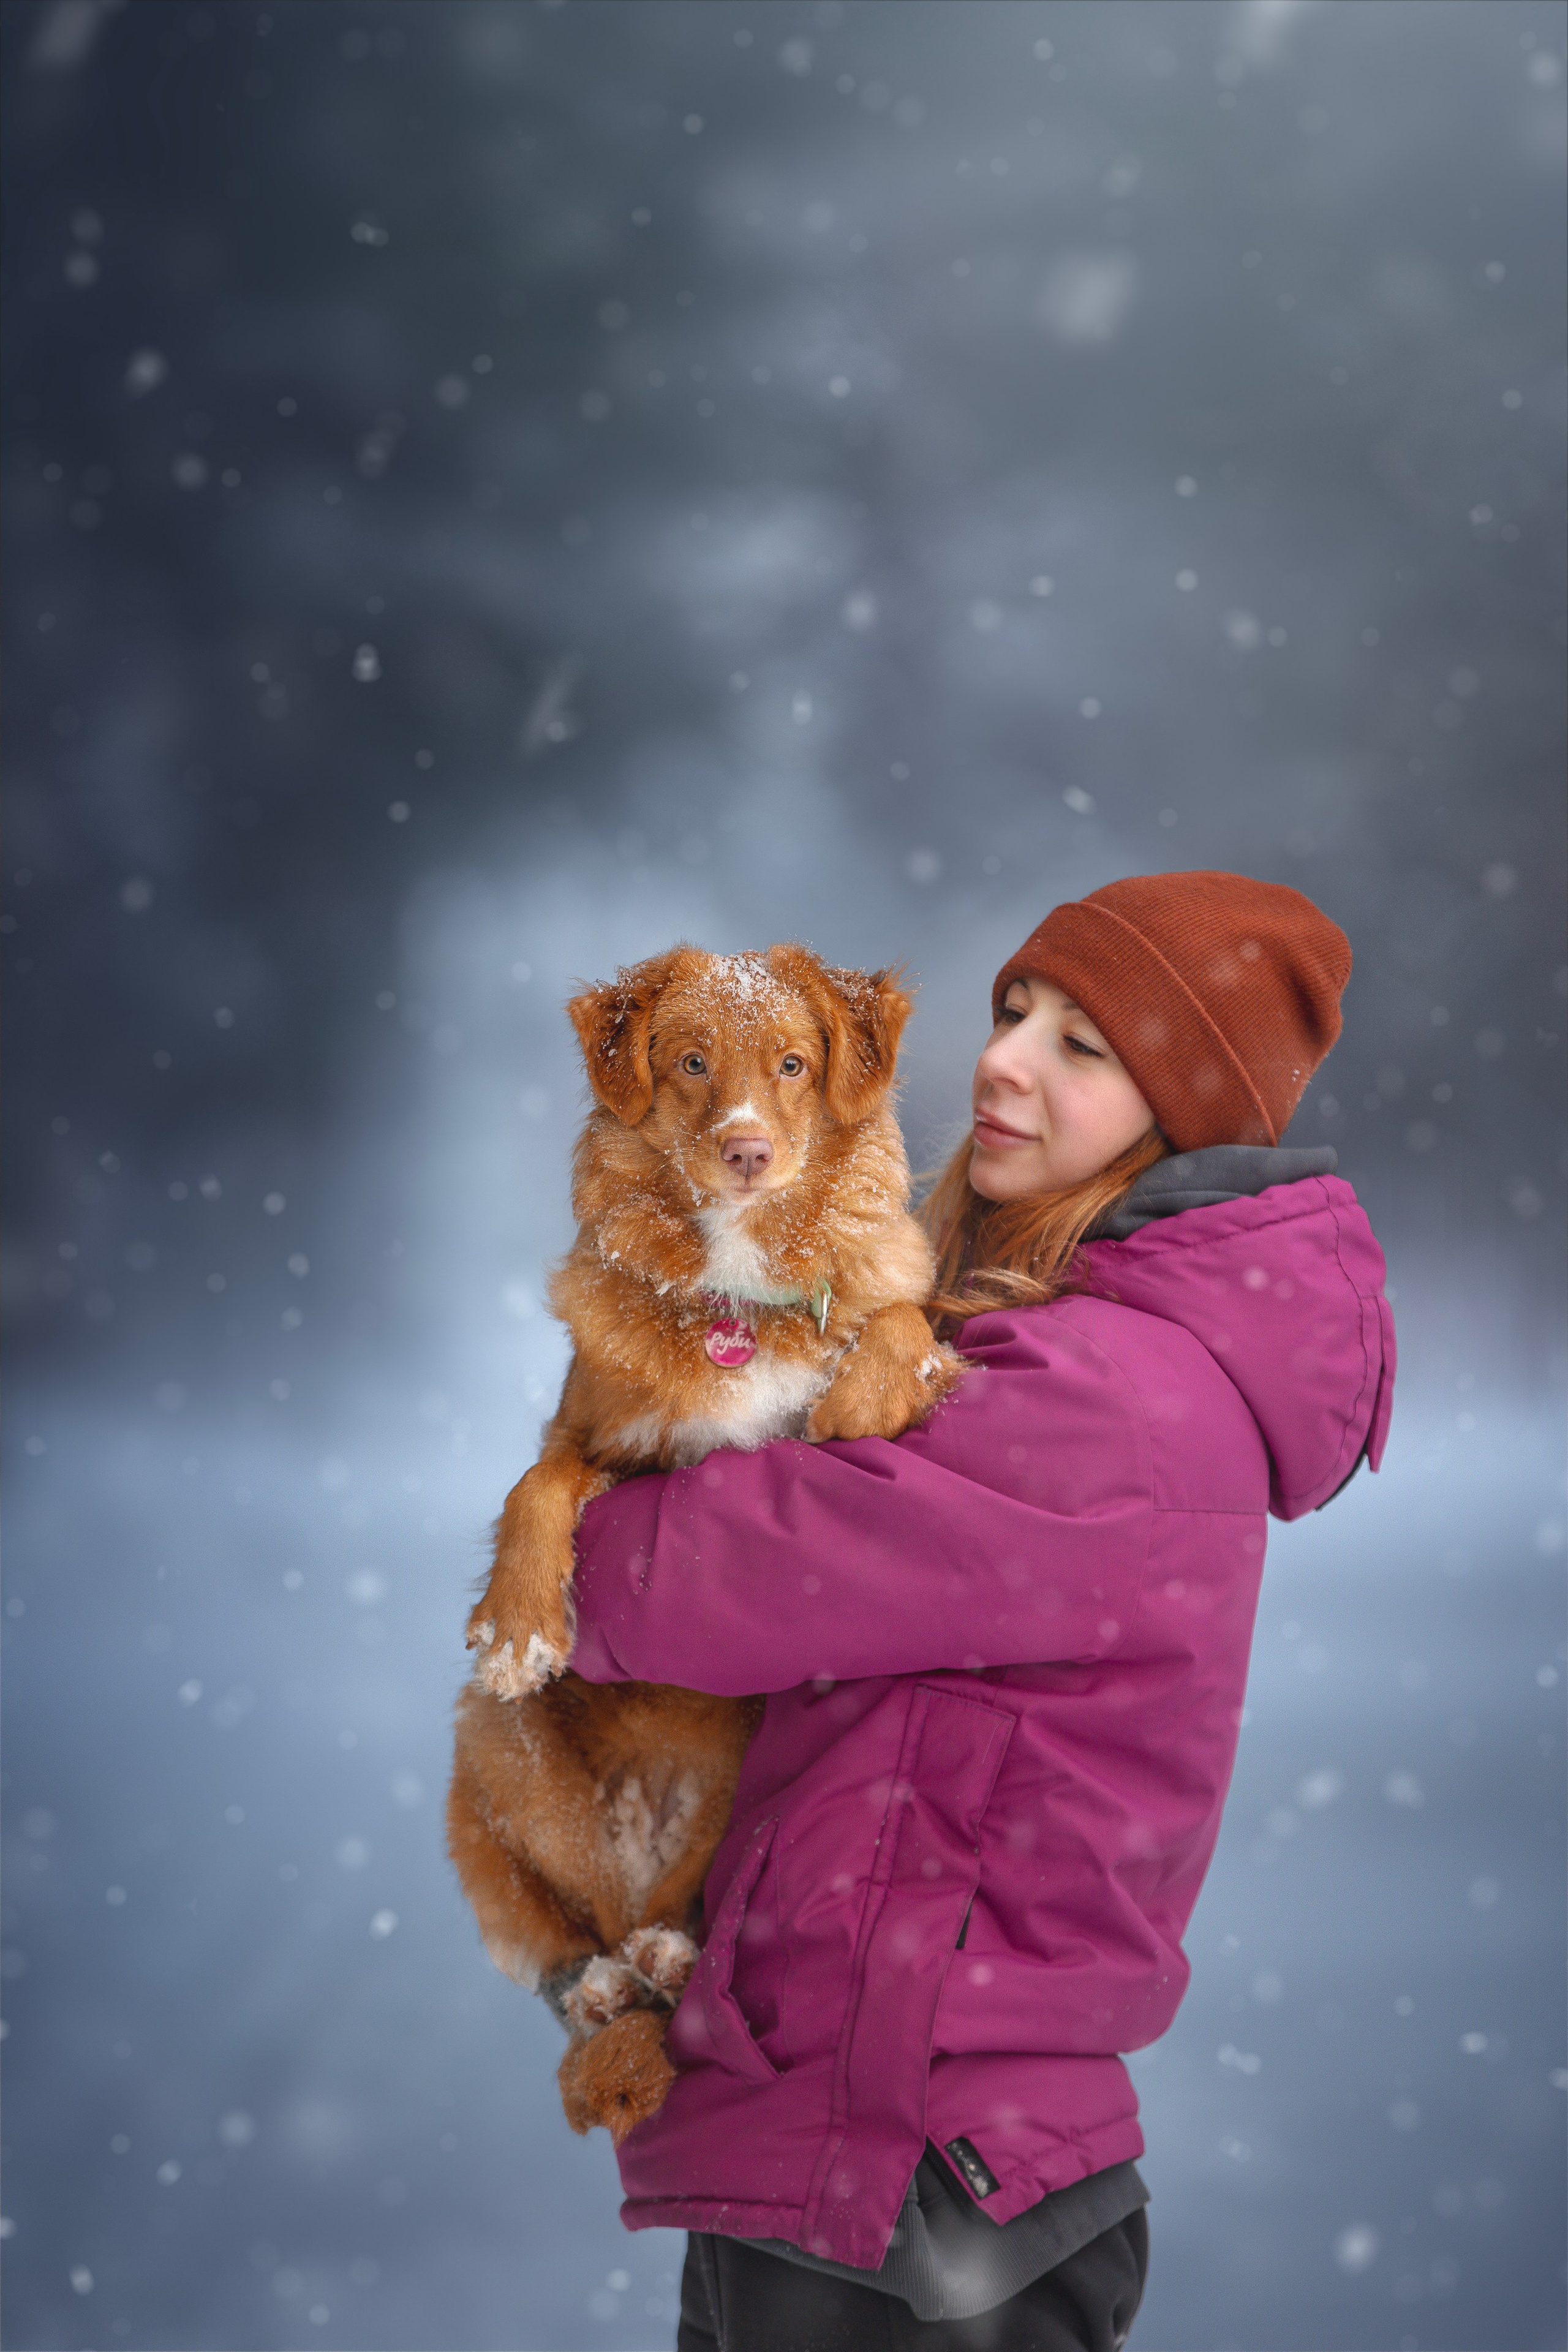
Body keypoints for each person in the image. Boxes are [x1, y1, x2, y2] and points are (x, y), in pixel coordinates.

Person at [567, 870, 1396, 2351]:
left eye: (1086, 1046)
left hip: (916, 2185)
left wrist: (573, 1507)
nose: (1003, 1058)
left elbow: (685, 1585)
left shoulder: (1102, 1402)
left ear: (1179, 1112)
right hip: (911, 2162)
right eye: (1016, 1010)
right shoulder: (1068, 1346)